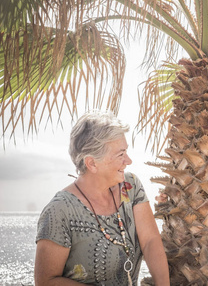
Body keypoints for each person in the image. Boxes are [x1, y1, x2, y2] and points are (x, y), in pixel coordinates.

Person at [35, 110, 170, 286]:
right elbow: (46, 281)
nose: (128, 160)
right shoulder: (59, 211)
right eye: (120, 154)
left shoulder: (130, 186)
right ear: (92, 163)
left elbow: (150, 241)